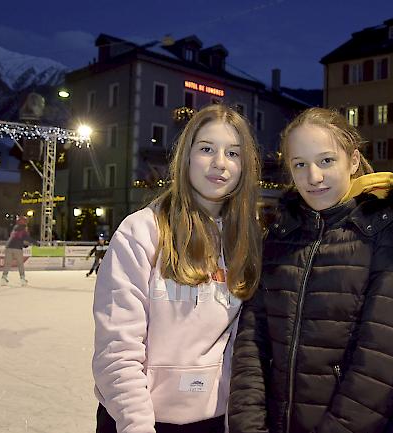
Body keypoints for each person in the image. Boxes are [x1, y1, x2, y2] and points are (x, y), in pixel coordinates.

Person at [229, 108, 393, 433]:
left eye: (326, 160)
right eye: (300, 165)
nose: (313, 177)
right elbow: (251, 343)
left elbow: (380, 360)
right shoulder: (279, 237)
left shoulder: (382, 235)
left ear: (353, 161)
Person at [92, 104, 262, 433]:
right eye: (206, 149)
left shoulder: (246, 239)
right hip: (139, 420)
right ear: (186, 156)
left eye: (233, 153)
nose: (220, 163)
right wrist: (137, 425)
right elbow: (118, 348)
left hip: (212, 422)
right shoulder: (142, 231)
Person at [1, 216, 32, 286]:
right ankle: (22, 279)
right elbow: (26, 239)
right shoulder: (24, 228)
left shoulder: (15, 228)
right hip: (17, 248)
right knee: (20, 264)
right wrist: (35, 243)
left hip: (9, 247)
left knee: (7, 263)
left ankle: (3, 278)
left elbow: (13, 237)